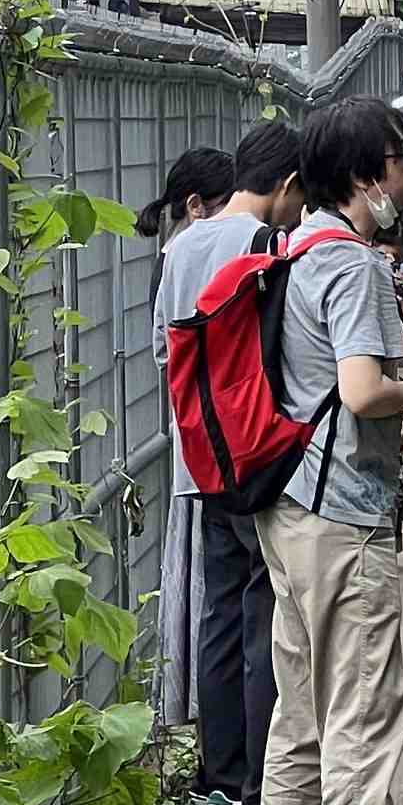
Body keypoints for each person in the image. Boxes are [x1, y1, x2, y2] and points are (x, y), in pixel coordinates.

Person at [251, 97, 403, 805]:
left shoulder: (291, 251)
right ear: (371, 171)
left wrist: (384, 412)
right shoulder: (355, 264)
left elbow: (321, 391)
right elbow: (365, 388)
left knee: (300, 707)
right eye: (399, 161)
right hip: (345, 514)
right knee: (364, 706)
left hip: (287, 501)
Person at [153, 123, 304, 805]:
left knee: (217, 611)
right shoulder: (269, 248)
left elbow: (165, 345)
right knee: (262, 610)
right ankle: (255, 788)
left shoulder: (180, 245)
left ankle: (215, 786)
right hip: (258, 455)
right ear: (283, 184)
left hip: (198, 452)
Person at [140, 150, 237, 727]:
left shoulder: (172, 259)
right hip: (211, 451)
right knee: (213, 596)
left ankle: (200, 723)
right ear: (196, 206)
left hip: (193, 448)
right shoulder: (185, 257)